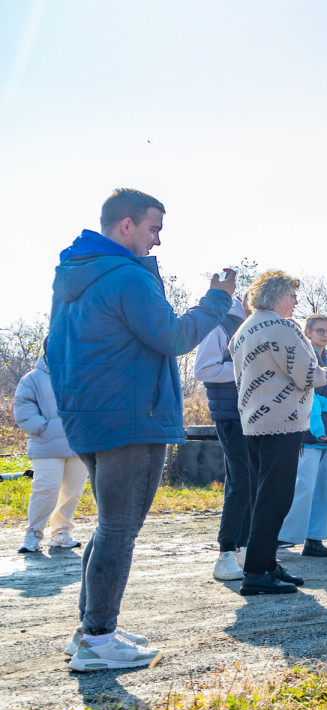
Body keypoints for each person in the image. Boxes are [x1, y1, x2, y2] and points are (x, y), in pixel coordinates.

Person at [48, 188, 233, 671]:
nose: (157, 241)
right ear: (125, 225)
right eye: (153, 229)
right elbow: (173, 336)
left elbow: (53, 350)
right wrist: (216, 302)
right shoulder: (126, 276)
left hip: (88, 417)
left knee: (110, 524)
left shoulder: (74, 276)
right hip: (133, 419)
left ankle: (90, 627)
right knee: (118, 529)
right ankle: (99, 640)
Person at [230, 272, 327, 595]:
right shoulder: (282, 327)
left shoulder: (245, 327)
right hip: (282, 422)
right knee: (275, 498)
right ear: (276, 295)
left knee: (263, 494)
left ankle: (266, 562)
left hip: (254, 420)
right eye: (292, 294)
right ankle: (258, 571)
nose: (296, 301)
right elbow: (308, 375)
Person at [277, 314, 327, 556]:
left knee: (325, 487)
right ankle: (284, 536)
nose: (325, 335)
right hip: (307, 431)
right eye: (320, 330)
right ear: (307, 332)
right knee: (303, 486)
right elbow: (303, 391)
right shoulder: (302, 355)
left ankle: (315, 538)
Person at [194, 293, 252, 580]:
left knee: (252, 481)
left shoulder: (257, 325)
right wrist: (248, 371)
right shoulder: (221, 326)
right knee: (241, 482)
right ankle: (225, 554)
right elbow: (203, 369)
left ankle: (241, 550)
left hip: (258, 414)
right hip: (232, 415)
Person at [14, 344, 87, 553]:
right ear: (47, 350)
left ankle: (61, 532)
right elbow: (23, 407)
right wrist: (43, 428)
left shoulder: (81, 373)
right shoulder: (32, 378)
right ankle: (33, 533)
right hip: (46, 444)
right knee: (46, 489)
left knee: (72, 492)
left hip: (78, 443)